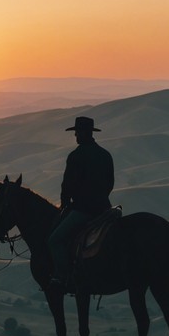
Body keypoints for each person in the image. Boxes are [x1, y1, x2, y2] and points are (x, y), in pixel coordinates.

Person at [48, 116, 114, 291]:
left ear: (83, 132)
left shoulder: (76, 156)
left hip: (83, 210)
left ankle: (63, 277)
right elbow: (110, 183)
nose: (75, 135)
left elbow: (68, 185)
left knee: (55, 240)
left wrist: (65, 204)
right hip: (104, 209)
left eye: (77, 132)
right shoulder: (105, 154)